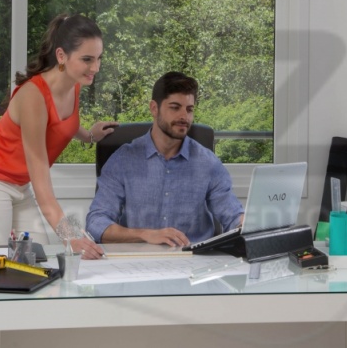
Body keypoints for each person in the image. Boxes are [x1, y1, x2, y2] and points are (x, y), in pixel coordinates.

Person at [0, 13, 116, 259]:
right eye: (87, 59)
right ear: (62, 56)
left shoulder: (73, 83)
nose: (95, 68)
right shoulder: (33, 97)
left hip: (19, 185)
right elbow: (43, 188)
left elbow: (64, 123)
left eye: (98, 58)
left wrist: (89, 136)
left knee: (36, 262)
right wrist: (72, 236)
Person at [85, 72, 244, 246]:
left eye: (189, 109)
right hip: (139, 264)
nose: (184, 117)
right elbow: (96, 224)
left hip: (193, 263)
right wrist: (145, 234)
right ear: (154, 108)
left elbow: (233, 216)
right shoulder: (123, 160)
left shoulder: (208, 163)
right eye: (175, 107)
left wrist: (244, 224)